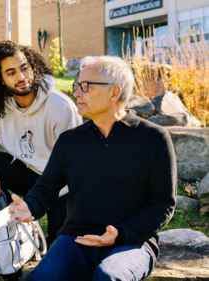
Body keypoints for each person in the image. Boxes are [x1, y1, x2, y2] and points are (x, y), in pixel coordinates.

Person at [9, 55, 177, 281]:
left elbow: (162, 204)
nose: (76, 93)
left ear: (115, 93)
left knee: (107, 277)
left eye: (85, 87)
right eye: (76, 86)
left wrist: (119, 234)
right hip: (76, 240)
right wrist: (29, 207)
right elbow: (46, 188)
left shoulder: (154, 138)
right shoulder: (69, 141)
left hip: (131, 243)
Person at [0, 40, 82, 244]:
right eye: (11, 73)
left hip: (61, 186)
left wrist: (42, 199)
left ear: (33, 67)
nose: (21, 77)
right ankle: (3, 229)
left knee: (60, 246)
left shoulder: (61, 107)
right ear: (1, 79)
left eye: (24, 68)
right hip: (25, 174)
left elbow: (75, 165)